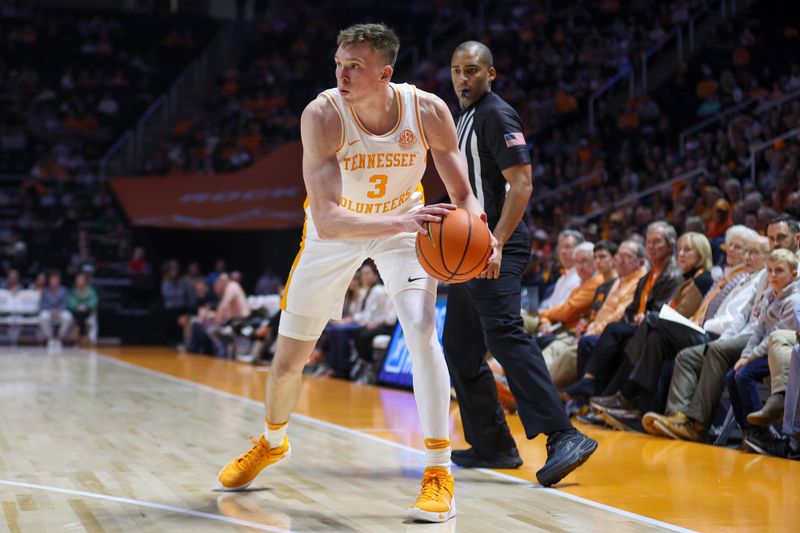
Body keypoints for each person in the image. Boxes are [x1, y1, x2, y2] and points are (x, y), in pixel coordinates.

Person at [217, 24, 484, 523]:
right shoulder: (321, 115)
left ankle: (437, 473)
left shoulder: (426, 110)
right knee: (287, 359)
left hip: (407, 225)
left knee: (424, 332)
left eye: (354, 65)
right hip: (338, 231)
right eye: (338, 62)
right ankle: (273, 441)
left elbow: (463, 194)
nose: (341, 73)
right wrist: (402, 220)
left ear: (385, 73)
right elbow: (327, 218)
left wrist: (479, 234)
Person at [441, 41, 597, 487]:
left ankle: (564, 435)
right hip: (470, 249)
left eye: (472, 70)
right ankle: (492, 444)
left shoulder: (496, 114)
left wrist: (497, 242)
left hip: (495, 246)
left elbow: (521, 185)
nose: (463, 79)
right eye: (456, 71)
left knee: (506, 333)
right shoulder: (464, 117)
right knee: (460, 346)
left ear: (492, 74)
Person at [39, 271, 72, 350]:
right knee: (43, 316)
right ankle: (50, 339)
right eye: (52, 280)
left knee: (68, 316)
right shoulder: (45, 291)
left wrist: (58, 311)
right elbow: (42, 304)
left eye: (55, 280)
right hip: (49, 311)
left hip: (60, 312)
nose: (54, 281)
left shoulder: (64, 290)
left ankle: (59, 339)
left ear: (59, 280)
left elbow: (65, 303)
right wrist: (51, 311)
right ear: (49, 281)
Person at [67, 273, 98, 346]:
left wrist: (86, 306)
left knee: (83, 315)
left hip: (88, 312)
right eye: (77, 280)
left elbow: (94, 301)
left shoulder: (90, 291)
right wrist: (77, 307)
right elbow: (70, 302)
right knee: (79, 315)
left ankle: (79, 333)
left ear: (85, 281)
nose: (79, 282)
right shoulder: (73, 291)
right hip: (76, 313)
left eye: (81, 280)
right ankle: (83, 335)